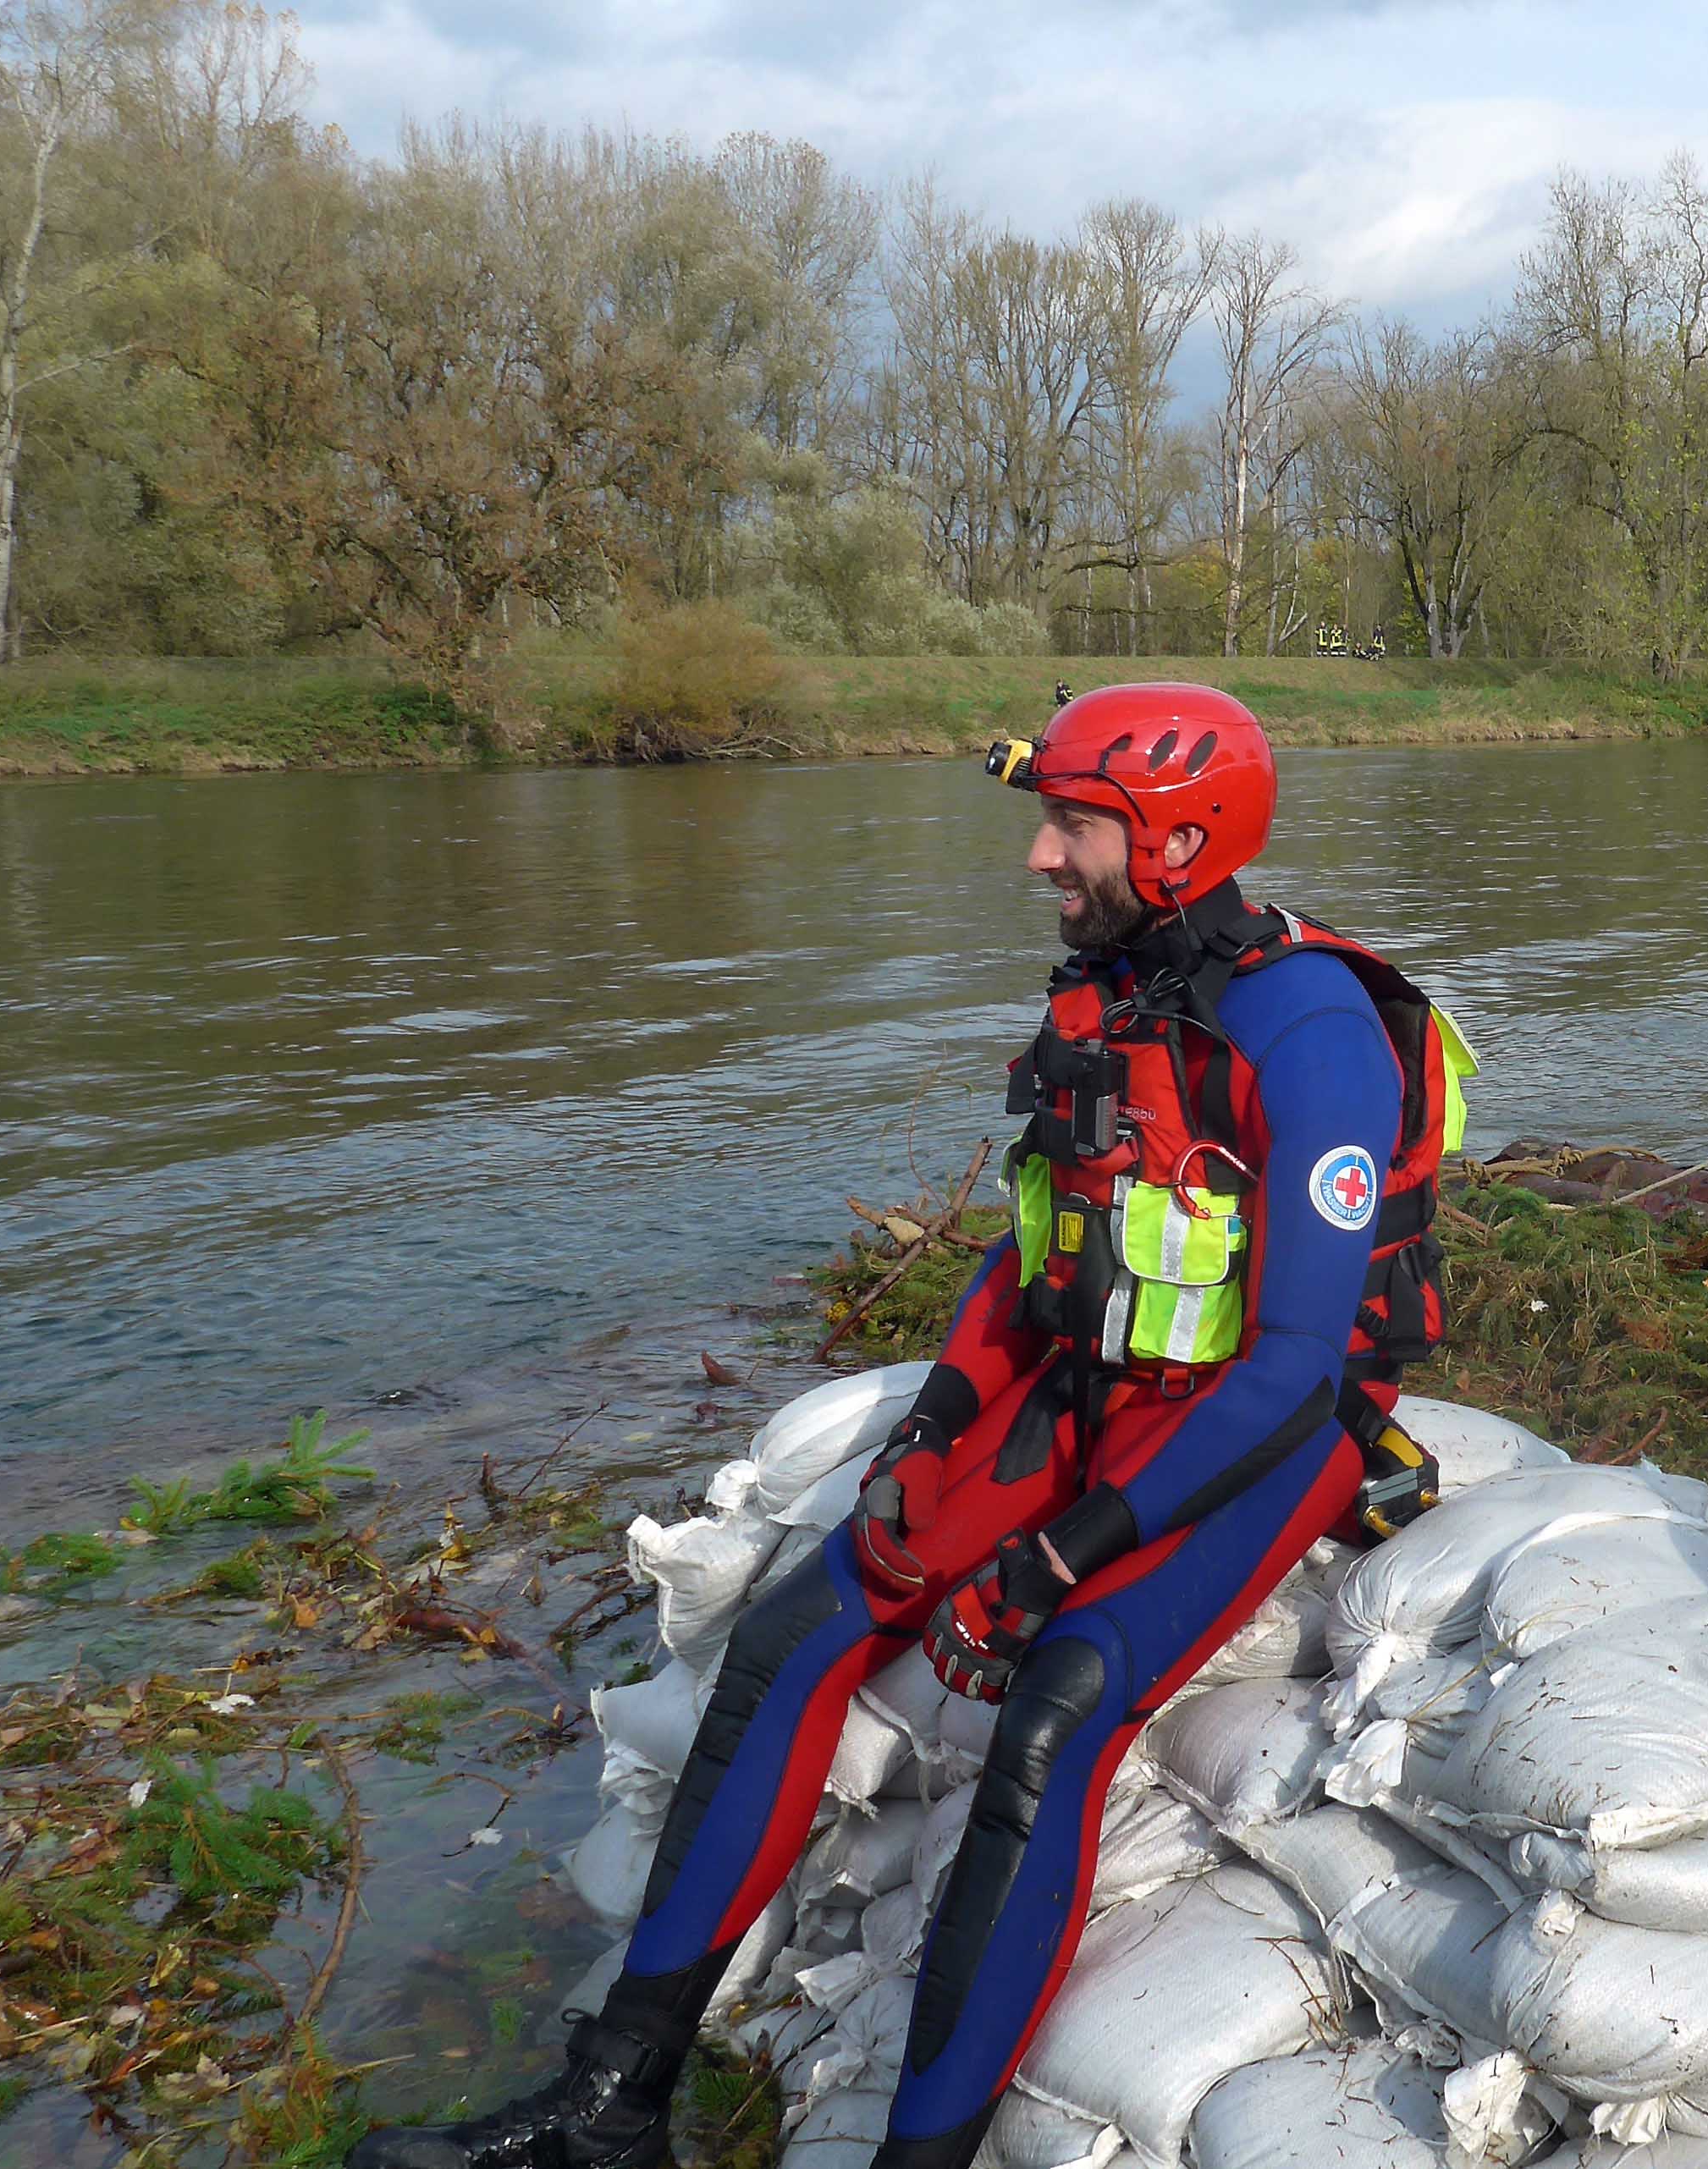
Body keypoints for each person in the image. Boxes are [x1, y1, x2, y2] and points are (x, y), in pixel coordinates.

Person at [350, 684, 1468, 2169]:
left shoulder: (1309, 1027)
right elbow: (1039, 1245)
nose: (1040, 858)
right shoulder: (1116, 987)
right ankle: (613, 2100)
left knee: (1057, 1699)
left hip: (1261, 1419)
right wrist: (935, 1425)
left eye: (1075, 826)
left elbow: (1291, 1366)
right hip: (1091, 1380)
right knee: (796, 1622)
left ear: (1181, 837)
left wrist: (1053, 1561)